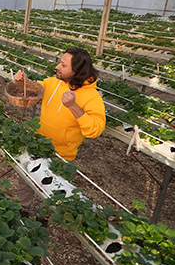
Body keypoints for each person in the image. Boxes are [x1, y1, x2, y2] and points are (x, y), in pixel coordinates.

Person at [13, 47, 106, 216]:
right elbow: (34, 91)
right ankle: (23, 210)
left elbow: (95, 130)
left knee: (54, 190)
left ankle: (45, 217)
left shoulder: (92, 96)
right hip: (37, 144)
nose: (57, 67)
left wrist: (74, 107)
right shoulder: (52, 83)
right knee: (25, 179)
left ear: (76, 71)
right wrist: (23, 82)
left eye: (63, 65)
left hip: (61, 155)